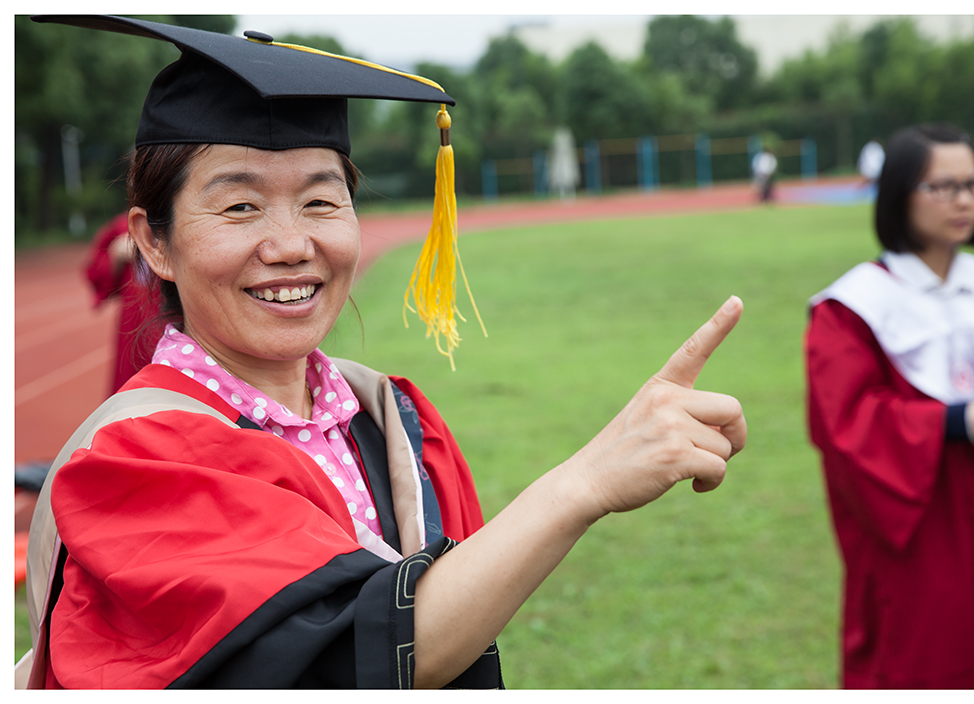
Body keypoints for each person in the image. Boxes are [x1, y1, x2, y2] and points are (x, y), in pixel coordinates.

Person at [21, 16, 746, 690]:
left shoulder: (395, 421)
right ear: (153, 242)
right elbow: (346, 659)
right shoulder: (137, 461)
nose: (291, 245)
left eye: (321, 201)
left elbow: (463, 615)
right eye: (240, 206)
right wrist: (585, 483)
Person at [805, 123, 974, 689]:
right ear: (899, 194)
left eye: (973, 184)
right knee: (929, 661)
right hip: (921, 520)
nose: (964, 200)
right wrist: (961, 421)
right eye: (943, 187)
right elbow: (847, 424)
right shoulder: (852, 308)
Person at [84, 211, 162, 394]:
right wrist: (115, 256)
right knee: (130, 383)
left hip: (170, 318)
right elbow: (97, 273)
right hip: (133, 321)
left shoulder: (178, 218)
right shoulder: (122, 226)